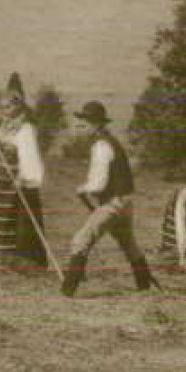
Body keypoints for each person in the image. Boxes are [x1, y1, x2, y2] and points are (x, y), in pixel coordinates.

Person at [61, 101, 158, 295]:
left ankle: (67, 291)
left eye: (84, 124)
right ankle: (144, 286)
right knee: (129, 245)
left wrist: (83, 188)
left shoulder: (101, 146)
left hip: (112, 204)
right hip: (125, 203)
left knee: (81, 240)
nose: (81, 128)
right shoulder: (110, 142)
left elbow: (98, 184)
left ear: (97, 124)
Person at [0, 75, 49, 269]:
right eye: (2, 107)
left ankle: (11, 254)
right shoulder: (3, 127)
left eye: (9, 107)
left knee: (11, 214)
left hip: (14, 179)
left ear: (19, 106)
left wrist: (23, 177)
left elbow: (29, 156)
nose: (5, 111)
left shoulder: (25, 129)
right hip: (0, 179)